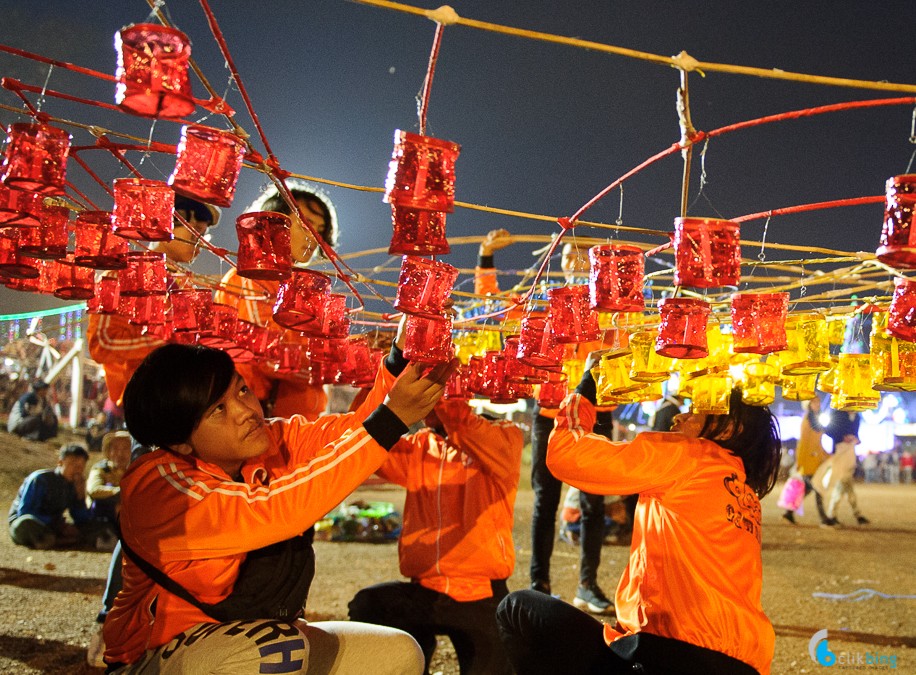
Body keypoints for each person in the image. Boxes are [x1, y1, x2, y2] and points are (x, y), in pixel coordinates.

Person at [101, 332, 455, 673]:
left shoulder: (266, 442)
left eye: (241, 389)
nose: (244, 410)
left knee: (397, 653)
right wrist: (392, 419)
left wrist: (399, 358)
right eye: (218, 410)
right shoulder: (160, 490)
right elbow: (274, 508)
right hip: (161, 658)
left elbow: (354, 431)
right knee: (278, 649)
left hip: (254, 640)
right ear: (179, 442)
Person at [496, 351, 781, 675]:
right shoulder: (743, 491)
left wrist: (586, 389)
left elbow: (567, 454)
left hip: (673, 656)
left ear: (730, 426)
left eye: (696, 410)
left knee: (517, 609)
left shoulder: (690, 456)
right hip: (746, 664)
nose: (678, 418)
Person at [86, 195, 221, 667]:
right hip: (152, 416)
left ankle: (163, 624)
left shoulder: (181, 285)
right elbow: (102, 342)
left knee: (176, 525)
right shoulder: (121, 268)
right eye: (197, 228)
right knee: (143, 526)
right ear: (173, 221)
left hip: (189, 414)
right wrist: (175, 340)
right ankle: (112, 625)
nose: (205, 242)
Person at [476, 228, 615, 614]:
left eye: (585, 256)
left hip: (595, 414)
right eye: (570, 255)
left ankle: (588, 584)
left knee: (594, 504)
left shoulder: (609, 306)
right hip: (550, 414)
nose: (576, 262)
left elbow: (623, 349)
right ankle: (540, 582)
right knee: (545, 501)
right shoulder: (544, 303)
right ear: (561, 261)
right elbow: (493, 304)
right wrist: (487, 256)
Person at [348, 399, 524, 674]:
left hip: (481, 594)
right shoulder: (421, 445)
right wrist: (375, 383)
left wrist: (438, 389)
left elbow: (462, 422)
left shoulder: (501, 436)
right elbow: (365, 436)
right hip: (425, 590)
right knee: (368, 606)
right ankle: (416, 654)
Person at [214, 179, 339, 419]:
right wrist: (331, 361)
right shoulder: (251, 277)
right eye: (307, 225)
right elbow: (269, 354)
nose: (314, 237)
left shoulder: (294, 286)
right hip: (254, 415)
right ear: (274, 222)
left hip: (295, 421)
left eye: (320, 230)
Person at [8, 444, 106, 549]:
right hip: (27, 525)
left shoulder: (75, 484)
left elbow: (80, 518)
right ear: (60, 462)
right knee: (26, 522)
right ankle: (59, 540)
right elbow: (24, 512)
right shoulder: (40, 479)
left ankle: (54, 540)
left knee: (96, 524)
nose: (77, 470)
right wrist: (57, 525)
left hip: (53, 527)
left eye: (81, 466)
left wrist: (80, 497)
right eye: (73, 464)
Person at [816, 409, 869, 527]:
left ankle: (838, 514)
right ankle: (854, 514)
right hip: (840, 451)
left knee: (845, 482)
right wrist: (842, 437)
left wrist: (855, 438)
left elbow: (855, 432)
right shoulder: (837, 413)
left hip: (850, 451)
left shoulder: (858, 416)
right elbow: (828, 430)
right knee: (844, 481)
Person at [781, 396, 829, 525]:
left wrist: (826, 455)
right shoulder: (807, 420)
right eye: (814, 402)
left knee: (807, 489)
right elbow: (802, 443)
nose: (817, 404)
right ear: (809, 404)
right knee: (817, 488)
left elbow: (818, 443)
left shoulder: (816, 420)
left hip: (816, 461)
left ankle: (789, 512)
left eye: (818, 401)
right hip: (808, 462)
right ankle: (823, 518)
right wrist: (800, 462)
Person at [86, 431, 132, 537]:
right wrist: (118, 491)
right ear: (109, 451)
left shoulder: (135, 470)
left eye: (125, 449)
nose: (120, 454)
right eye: (115, 448)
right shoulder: (101, 469)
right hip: (102, 513)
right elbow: (93, 489)